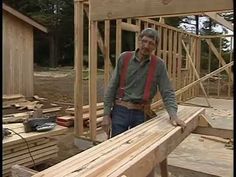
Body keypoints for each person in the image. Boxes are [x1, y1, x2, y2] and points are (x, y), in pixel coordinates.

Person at [102, 28, 186, 138]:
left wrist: (173, 115)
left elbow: (167, 92)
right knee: (116, 148)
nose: (146, 46)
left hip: (141, 113)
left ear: (155, 47)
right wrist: (106, 114)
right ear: (139, 40)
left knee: (138, 149)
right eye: (144, 41)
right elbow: (112, 87)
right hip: (120, 111)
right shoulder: (124, 58)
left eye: (151, 43)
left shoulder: (159, 65)